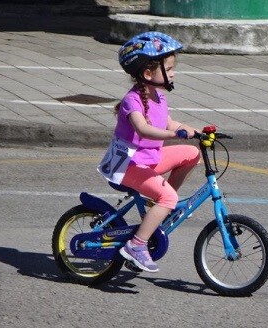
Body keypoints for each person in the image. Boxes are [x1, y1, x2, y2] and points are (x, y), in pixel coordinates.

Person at [97, 31, 200, 273]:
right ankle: (136, 245)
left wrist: (198, 132)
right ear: (147, 73)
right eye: (169, 68)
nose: (173, 73)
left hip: (148, 161)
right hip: (127, 166)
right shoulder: (132, 101)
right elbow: (143, 130)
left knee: (191, 154)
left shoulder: (159, 97)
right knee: (169, 198)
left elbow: (169, 125)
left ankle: (160, 205)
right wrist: (175, 134)